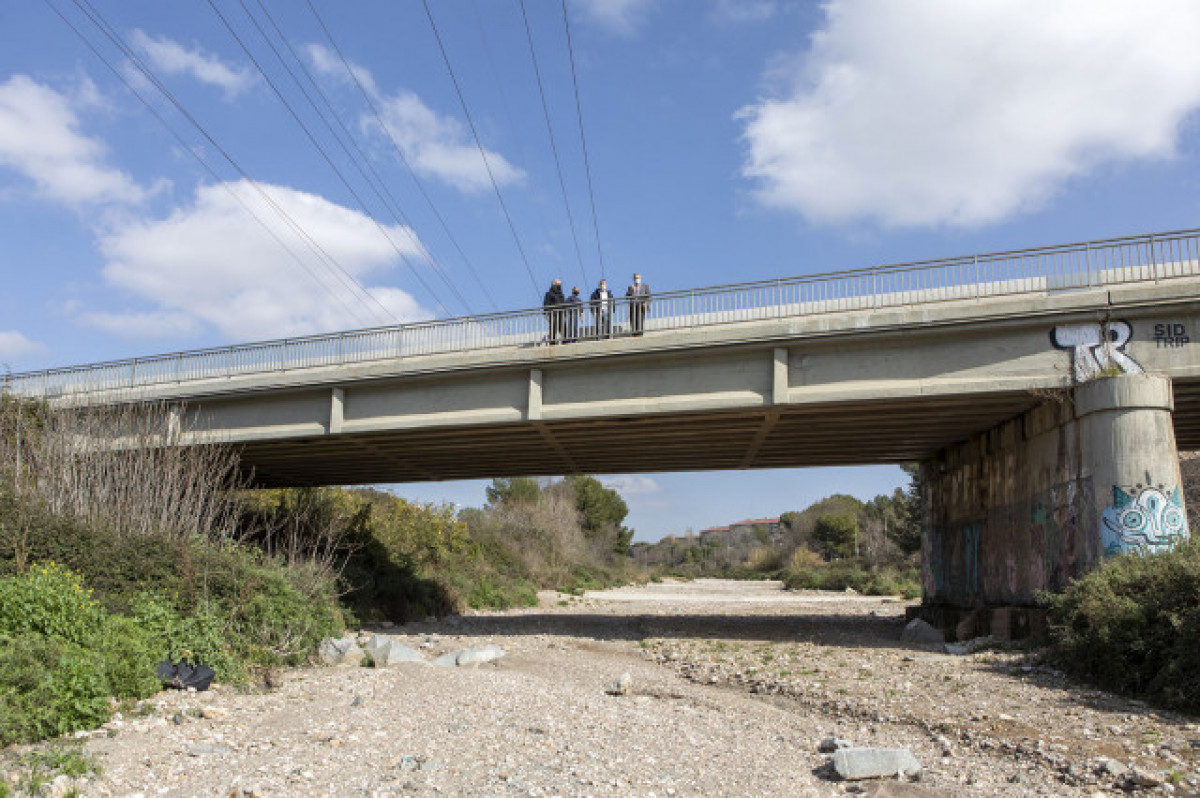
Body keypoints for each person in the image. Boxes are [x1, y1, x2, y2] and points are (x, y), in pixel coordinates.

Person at [626, 272, 651, 336]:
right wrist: (631, 291)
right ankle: (634, 333)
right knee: (633, 319)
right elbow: (627, 297)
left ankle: (640, 333)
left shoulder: (644, 286)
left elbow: (649, 296)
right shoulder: (631, 287)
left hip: (641, 305)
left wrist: (645, 303)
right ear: (634, 279)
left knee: (640, 319)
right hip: (633, 305)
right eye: (636, 278)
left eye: (638, 278)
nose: (637, 279)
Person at [543, 278, 566, 344]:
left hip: (561, 314)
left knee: (563, 328)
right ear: (553, 284)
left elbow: (564, 304)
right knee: (553, 328)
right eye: (558, 284)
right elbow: (546, 304)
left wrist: (564, 313)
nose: (559, 286)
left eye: (560, 284)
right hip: (553, 314)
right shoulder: (549, 294)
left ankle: (565, 341)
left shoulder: (561, 294)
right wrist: (546, 314)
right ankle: (552, 342)